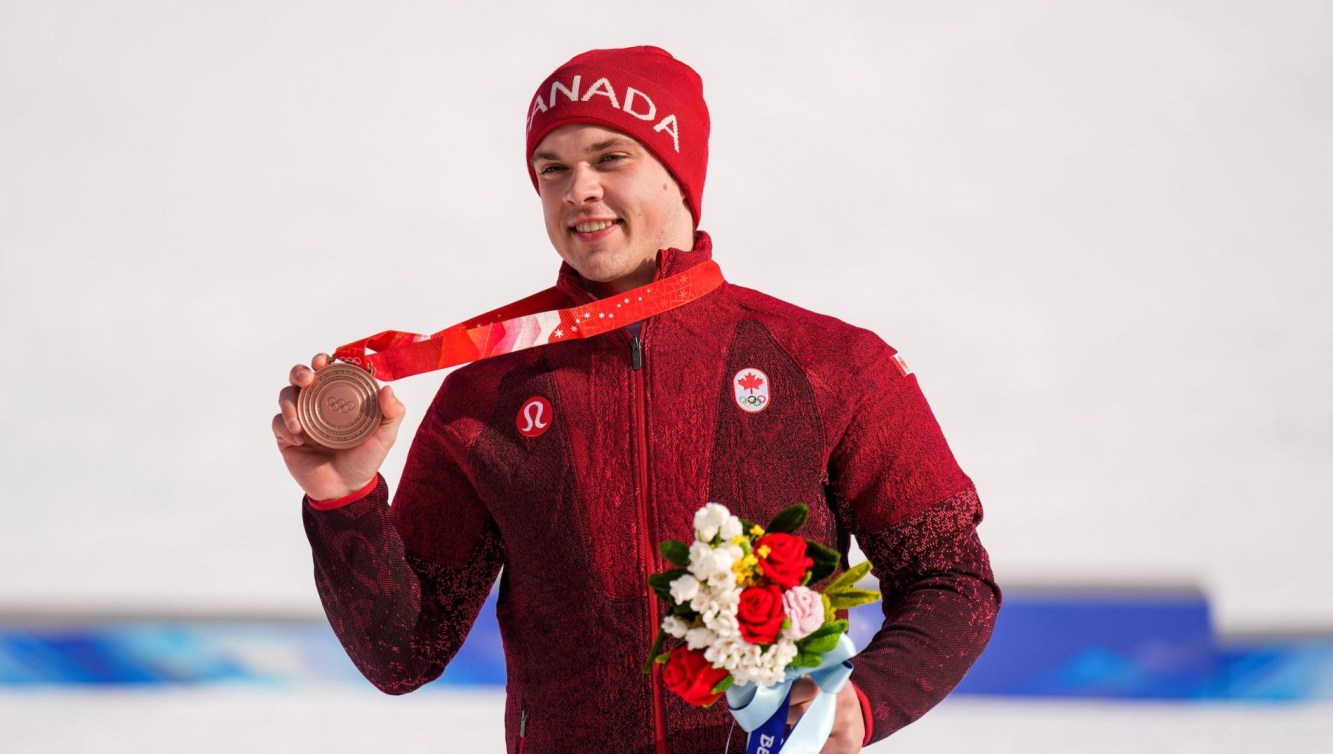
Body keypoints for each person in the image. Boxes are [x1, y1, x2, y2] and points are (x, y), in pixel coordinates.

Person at [272, 46, 999, 754]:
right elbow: (404, 654)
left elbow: (950, 578)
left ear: (679, 176)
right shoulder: (487, 392)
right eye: (550, 170)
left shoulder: (828, 363)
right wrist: (344, 500)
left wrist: (861, 705)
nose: (575, 189)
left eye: (609, 158)